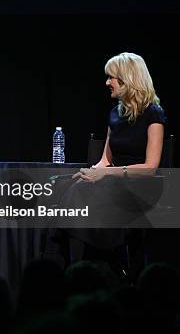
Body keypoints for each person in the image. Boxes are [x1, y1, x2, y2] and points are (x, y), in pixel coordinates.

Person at [56, 52, 166, 269]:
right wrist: (88, 173)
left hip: (142, 184)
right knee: (70, 186)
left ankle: (98, 263)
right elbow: (105, 160)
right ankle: (78, 261)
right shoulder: (114, 114)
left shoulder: (153, 113)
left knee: (93, 193)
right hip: (114, 179)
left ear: (127, 78)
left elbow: (150, 167)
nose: (107, 82)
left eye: (111, 77)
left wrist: (106, 173)